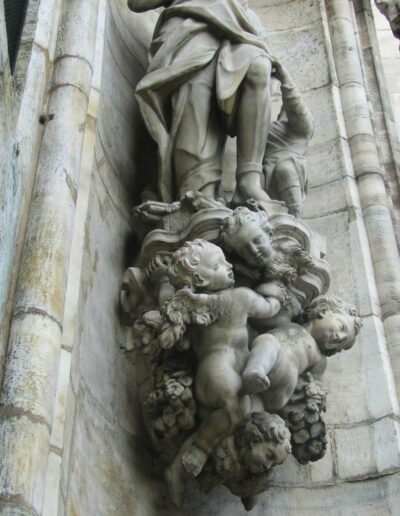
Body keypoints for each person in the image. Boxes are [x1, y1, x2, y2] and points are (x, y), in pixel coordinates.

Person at [128, 0, 276, 204]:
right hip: (190, 34)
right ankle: (195, 193)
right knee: (196, 102)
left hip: (234, 29)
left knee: (259, 66)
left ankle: (248, 182)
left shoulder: (243, 12)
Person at [158, 239, 281, 484]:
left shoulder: (194, 306)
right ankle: (201, 448)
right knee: (237, 408)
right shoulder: (241, 297)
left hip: (222, 371)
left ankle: (178, 470)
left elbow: (173, 324)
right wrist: (277, 290)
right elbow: (269, 309)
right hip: (217, 371)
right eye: (218, 266)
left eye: (226, 261)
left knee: (241, 412)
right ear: (200, 280)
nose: (229, 266)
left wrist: (162, 283)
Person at [241, 295, 363, 410]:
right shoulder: (288, 323)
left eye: (342, 341)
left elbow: (316, 384)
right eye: (341, 327)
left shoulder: (320, 359)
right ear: (323, 310)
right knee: (252, 404)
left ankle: (255, 371)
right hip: (274, 378)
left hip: (288, 379)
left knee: (269, 341)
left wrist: (312, 391)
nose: (340, 337)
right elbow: (260, 321)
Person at [262, 61, 314, 217]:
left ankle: (294, 218)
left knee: (285, 169)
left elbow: (296, 105)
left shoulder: (303, 128)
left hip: (288, 166)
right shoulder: (268, 129)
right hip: (264, 170)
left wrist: (285, 78)